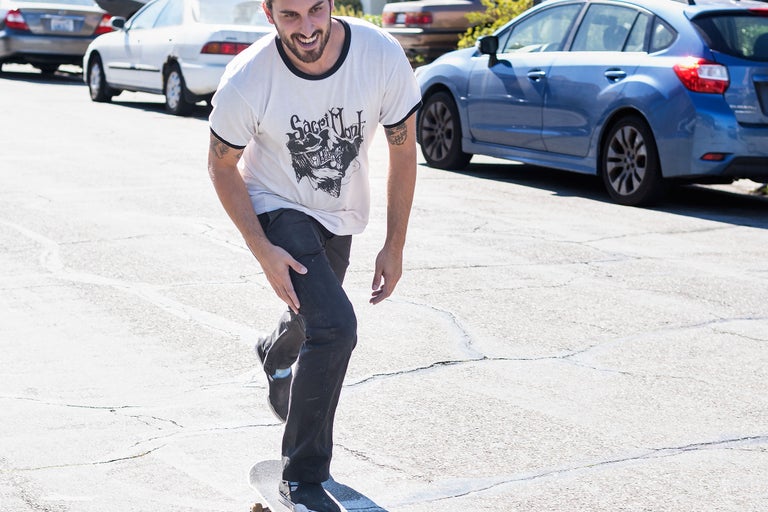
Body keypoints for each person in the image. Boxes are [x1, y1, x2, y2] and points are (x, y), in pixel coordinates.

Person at [206, 0, 421, 509]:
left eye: (315, 11)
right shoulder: (248, 78)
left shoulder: (381, 56)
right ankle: (301, 474)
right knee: (335, 326)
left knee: (311, 317)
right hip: (277, 206)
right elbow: (221, 167)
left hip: (339, 211)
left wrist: (395, 244)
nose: (306, 28)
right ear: (268, 13)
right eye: (290, 16)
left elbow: (403, 149)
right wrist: (262, 249)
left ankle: (274, 349)